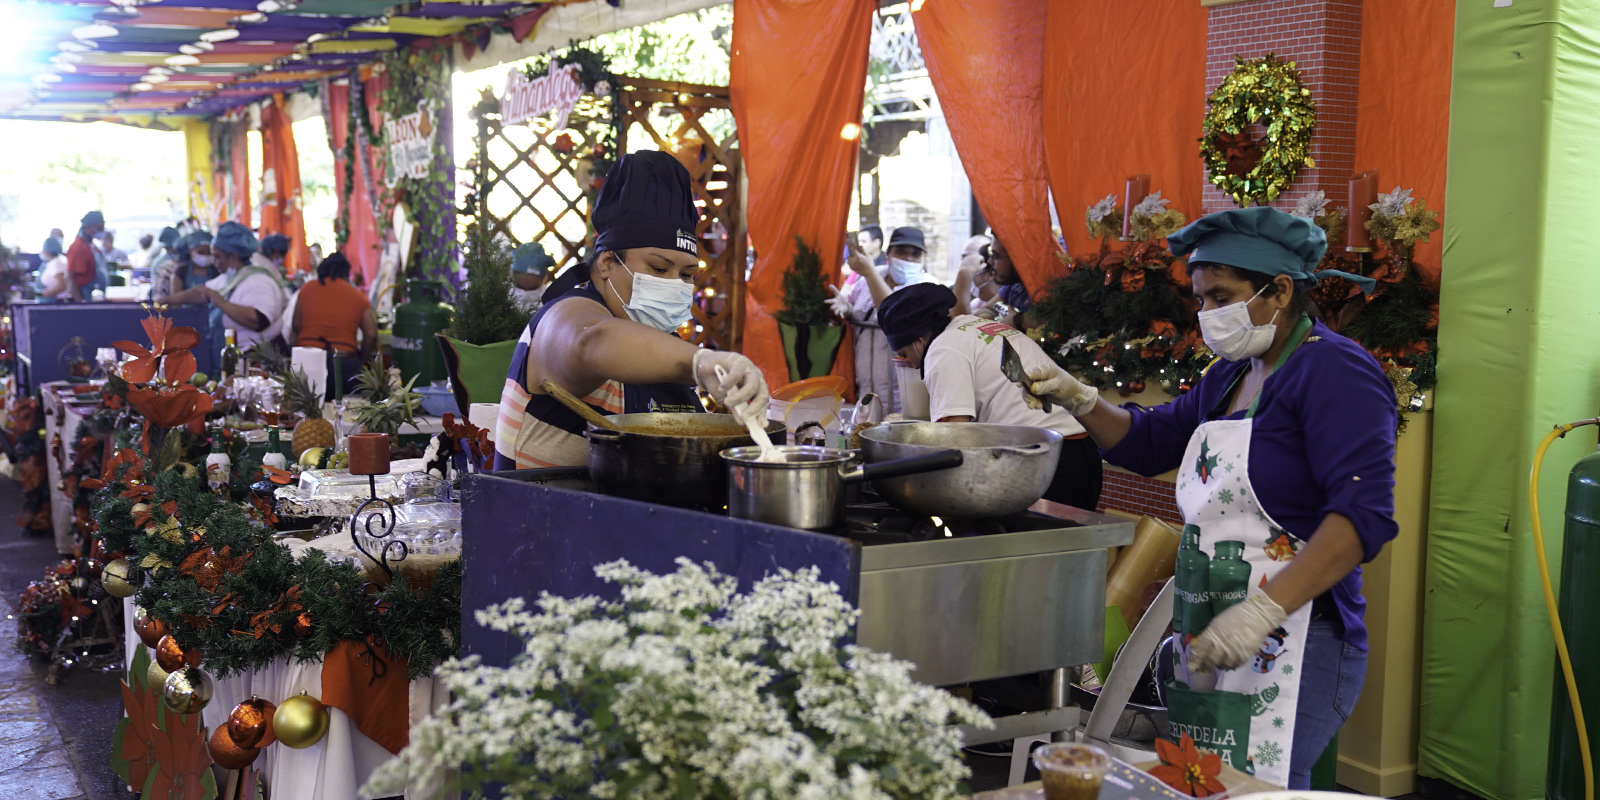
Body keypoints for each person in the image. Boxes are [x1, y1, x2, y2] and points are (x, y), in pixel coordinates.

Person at [1024, 207, 1396, 789]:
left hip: (1298, 634)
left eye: (1221, 296)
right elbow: (1149, 442)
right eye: (1201, 299)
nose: (1207, 314)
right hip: (1210, 631)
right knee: (1206, 787)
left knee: (1260, 793)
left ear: (1279, 291)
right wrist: (1080, 399)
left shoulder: (1335, 371)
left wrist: (1263, 611)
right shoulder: (1232, 374)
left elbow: (1359, 518)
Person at [493, 150, 767, 470]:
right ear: (608, 263)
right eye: (659, 268)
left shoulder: (662, 348)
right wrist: (701, 362)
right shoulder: (565, 315)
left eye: (687, 274)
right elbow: (592, 341)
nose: (674, 284)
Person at [878, 282, 1102, 510]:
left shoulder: (942, 351)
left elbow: (954, 439)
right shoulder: (972, 325)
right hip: (1082, 451)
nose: (911, 363)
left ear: (918, 341)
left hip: (1043, 464)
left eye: (905, 353)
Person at [829, 227, 940, 414]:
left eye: (915, 254)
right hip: (865, 389)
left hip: (906, 396)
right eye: (901, 251)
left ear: (923, 259)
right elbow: (855, 309)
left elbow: (894, 316)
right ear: (888, 253)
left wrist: (869, 272)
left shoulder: (929, 287)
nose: (907, 258)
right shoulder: (867, 279)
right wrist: (846, 308)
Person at [167, 222, 288, 353]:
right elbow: (202, 292)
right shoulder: (231, 277)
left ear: (233, 256)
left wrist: (221, 303)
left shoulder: (258, 281)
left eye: (217, 257)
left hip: (260, 355)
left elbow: (260, 321)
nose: (214, 262)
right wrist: (169, 299)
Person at [289, 253, 375, 395]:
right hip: (344, 365)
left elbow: (296, 325)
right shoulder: (357, 295)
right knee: (346, 407)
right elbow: (371, 333)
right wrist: (362, 360)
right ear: (346, 274)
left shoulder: (306, 289)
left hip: (308, 361)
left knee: (305, 406)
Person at [65, 211, 105, 301]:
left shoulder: (92, 246)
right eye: (99, 228)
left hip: (96, 297)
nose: (102, 231)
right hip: (86, 297)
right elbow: (70, 277)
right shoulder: (78, 247)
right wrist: (80, 303)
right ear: (88, 227)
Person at [510, 242, 556, 313]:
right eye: (519, 286)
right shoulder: (499, 290)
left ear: (544, 280)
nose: (525, 293)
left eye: (532, 288)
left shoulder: (550, 304)